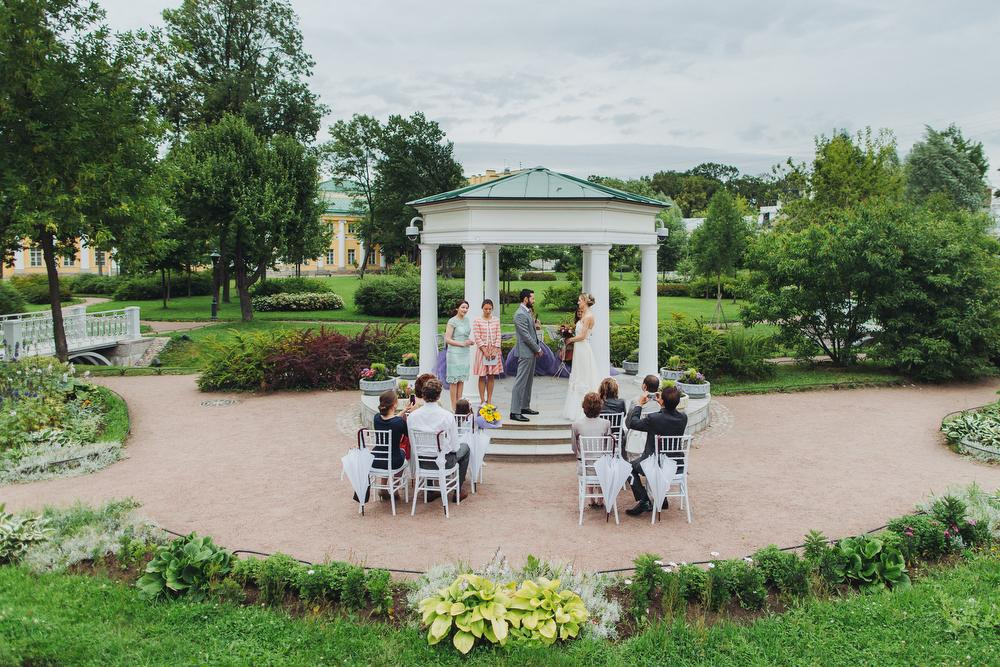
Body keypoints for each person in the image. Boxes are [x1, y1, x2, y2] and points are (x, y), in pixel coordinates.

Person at [624, 385, 688, 517]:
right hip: (676, 465)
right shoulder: (683, 418)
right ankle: (662, 499)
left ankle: (644, 500)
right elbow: (667, 418)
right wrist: (663, 406)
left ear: (662, 401)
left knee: (627, 468)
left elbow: (633, 423)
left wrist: (639, 405)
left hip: (655, 464)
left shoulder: (654, 419)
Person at [406, 377, 470, 500]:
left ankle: (430, 491)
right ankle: (458, 490)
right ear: (439, 395)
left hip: (422, 462)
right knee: (465, 448)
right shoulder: (447, 416)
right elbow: (455, 447)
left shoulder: (412, 417)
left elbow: (413, 444)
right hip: (443, 463)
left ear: (423, 395)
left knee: (430, 449)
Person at [561, 293, 603, 421]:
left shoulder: (589, 316)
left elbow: (583, 336)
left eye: (580, 300)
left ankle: (587, 407)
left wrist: (570, 340)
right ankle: (575, 408)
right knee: (577, 375)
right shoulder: (583, 315)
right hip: (579, 349)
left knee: (584, 376)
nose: (578, 302)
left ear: (585, 301)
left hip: (583, 348)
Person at [571, 392, 612, 507]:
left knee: (585, 460)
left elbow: (574, 447)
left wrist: (582, 455)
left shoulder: (576, 424)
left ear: (584, 406)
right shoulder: (606, 423)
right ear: (600, 406)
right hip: (602, 467)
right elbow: (608, 447)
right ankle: (600, 499)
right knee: (601, 460)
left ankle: (591, 499)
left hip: (585, 467)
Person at [510, 289, 542, 422]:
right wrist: (538, 348)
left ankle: (524, 406)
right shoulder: (520, 314)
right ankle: (514, 411)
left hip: (531, 352)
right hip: (525, 352)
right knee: (520, 382)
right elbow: (525, 336)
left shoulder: (527, 312)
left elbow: (530, 331)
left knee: (528, 381)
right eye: (532, 299)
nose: (534, 301)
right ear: (525, 299)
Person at [623, 374, 663, 458]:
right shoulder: (660, 403)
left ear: (644, 386)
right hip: (653, 439)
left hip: (636, 439)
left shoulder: (636, 401)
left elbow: (629, 422)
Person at [445, 300, 475, 411]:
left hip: (465, 352)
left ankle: (459, 404)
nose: (465, 310)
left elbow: (464, 335)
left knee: (461, 379)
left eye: (467, 308)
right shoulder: (452, 321)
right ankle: (453, 406)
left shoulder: (467, 320)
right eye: (463, 307)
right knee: (454, 380)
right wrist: (462, 343)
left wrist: (469, 341)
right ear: (457, 308)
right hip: (454, 353)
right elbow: (447, 339)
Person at [472, 298, 503, 405]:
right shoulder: (477, 321)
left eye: (490, 309)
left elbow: (499, 334)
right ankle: (482, 399)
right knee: (482, 375)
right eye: (486, 309)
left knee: (491, 375)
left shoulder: (496, 320)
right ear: (482, 308)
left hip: (493, 350)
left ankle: (489, 399)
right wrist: (484, 350)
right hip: (482, 350)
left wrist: (495, 349)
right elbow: (477, 336)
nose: (488, 311)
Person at [371, 389, 407, 471]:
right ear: (394, 404)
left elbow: (391, 420)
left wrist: (404, 411)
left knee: (393, 455)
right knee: (403, 451)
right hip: (393, 461)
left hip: (376, 459)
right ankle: (396, 483)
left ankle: (385, 482)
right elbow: (409, 435)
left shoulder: (376, 418)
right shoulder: (399, 422)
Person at [598, 377, 627, 452]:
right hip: (616, 432)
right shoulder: (621, 402)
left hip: (601, 432)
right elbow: (624, 415)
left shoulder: (598, 402)